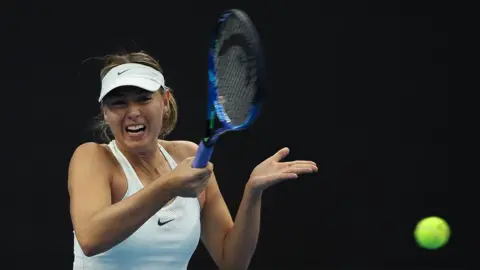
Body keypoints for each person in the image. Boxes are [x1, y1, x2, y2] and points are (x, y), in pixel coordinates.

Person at [68, 51, 318, 270]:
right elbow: (90, 238)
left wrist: (253, 192)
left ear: (165, 101)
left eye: (144, 99)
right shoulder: (92, 157)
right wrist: (167, 187)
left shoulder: (188, 156)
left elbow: (231, 261)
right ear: (105, 111)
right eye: (119, 103)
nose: (133, 112)